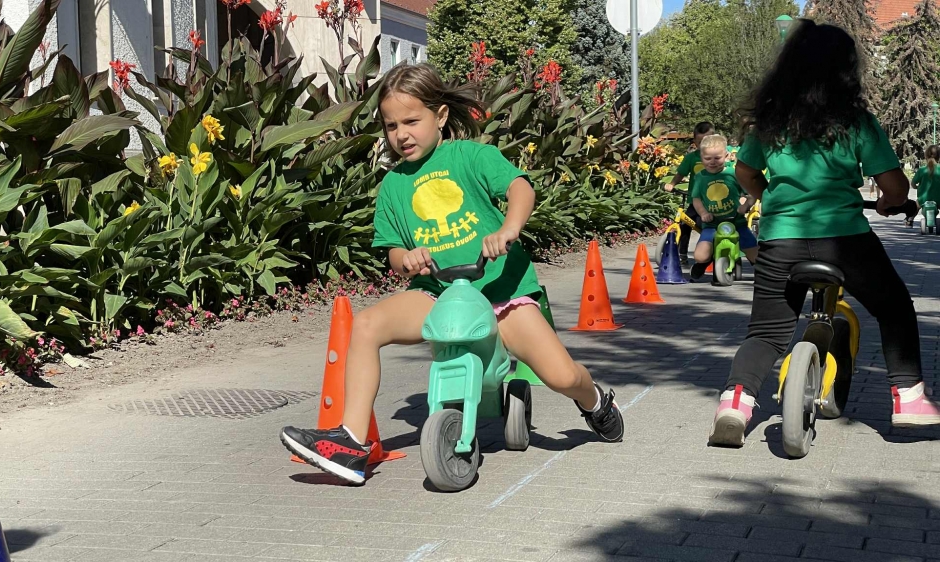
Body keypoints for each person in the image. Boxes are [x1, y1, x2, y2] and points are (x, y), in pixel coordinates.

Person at [280, 63, 625, 485]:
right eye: (391, 125)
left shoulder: (470, 156)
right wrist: (406, 259)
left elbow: (520, 188)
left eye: (412, 121)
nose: (401, 135)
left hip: (500, 292)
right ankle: (351, 443)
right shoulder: (393, 185)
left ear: (440, 115)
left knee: (562, 376)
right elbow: (392, 250)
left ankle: (595, 401)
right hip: (439, 293)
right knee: (366, 324)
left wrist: (508, 228)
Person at [708, 20, 940, 448]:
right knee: (894, 308)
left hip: (781, 240)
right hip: (845, 240)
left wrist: (770, 198)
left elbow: (745, 171)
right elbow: (894, 187)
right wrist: (890, 203)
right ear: (846, 71)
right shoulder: (856, 122)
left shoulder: (772, 123)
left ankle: (734, 404)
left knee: (766, 333)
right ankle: (909, 397)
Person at [688, 134, 759, 281]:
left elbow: (752, 193)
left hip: (737, 222)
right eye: (708, 158)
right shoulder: (700, 177)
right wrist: (703, 213)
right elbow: (696, 199)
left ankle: (762, 272)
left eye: (717, 158)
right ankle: (705, 262)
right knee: (700, 256)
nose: (712, 162)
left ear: (726, 156)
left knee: (756, 255)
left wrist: (746, 205)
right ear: (701, 157)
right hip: (712, 224)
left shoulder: (733, 174)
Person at [665, 122, 716, 264]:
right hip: (695, 200)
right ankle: (682, 254)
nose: (703, 146)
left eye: (707, 141)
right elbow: (681, 173)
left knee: (705, 226)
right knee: (685, 224)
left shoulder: (716, 158)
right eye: (700, 142)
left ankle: (708, 253)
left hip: (712, 201)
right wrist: (672, 184)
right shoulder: (692, 158)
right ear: (695, 142)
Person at [913, 145, 940, 225]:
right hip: (939, 199)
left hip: (923, 199)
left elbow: (913, 183)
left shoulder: (922, 170)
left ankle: (910, 220)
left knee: (915, 207)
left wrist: (917, 187)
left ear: (926, 156)